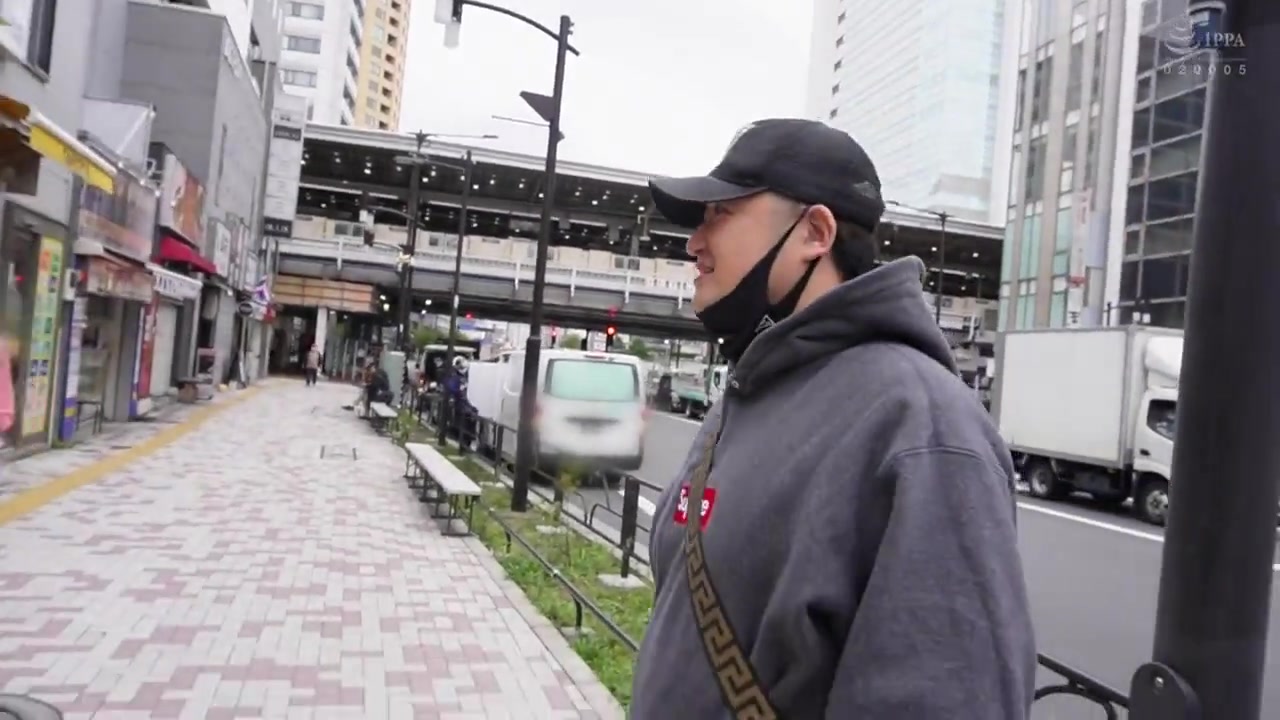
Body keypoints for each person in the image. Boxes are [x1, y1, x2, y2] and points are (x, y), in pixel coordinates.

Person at [629, 119, 1036, 719]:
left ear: (814, 233)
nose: (694, 243)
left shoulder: (923, 427)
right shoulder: (749, 391)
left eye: (720, 214)